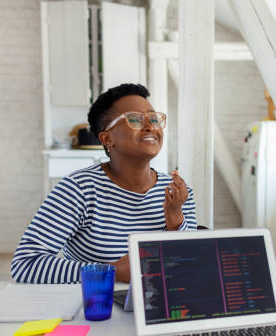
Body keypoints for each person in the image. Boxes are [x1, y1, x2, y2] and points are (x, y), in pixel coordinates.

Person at [11, 83, 197, 284]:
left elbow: (191, 265)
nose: (151, 126)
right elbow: (25, 264)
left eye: (154, 118)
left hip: (162, 306)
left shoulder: (177, 192)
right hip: (96, 309)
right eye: (134, 119)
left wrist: (175, 215)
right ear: (107, 138)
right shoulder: (78, 190)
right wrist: (111, 272)